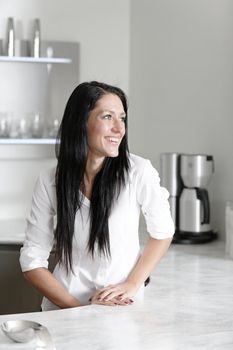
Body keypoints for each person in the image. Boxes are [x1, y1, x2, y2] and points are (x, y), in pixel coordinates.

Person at [20, 81, 175, 311]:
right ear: (81, 122)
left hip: (120, 312)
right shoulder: (51, 180)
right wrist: (77, 309)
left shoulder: (138, 172)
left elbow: (162, 232)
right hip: (64, 313)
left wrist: (132, 284)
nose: (119, 128)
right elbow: (32, 260)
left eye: (122, 118)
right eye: (107, 117)